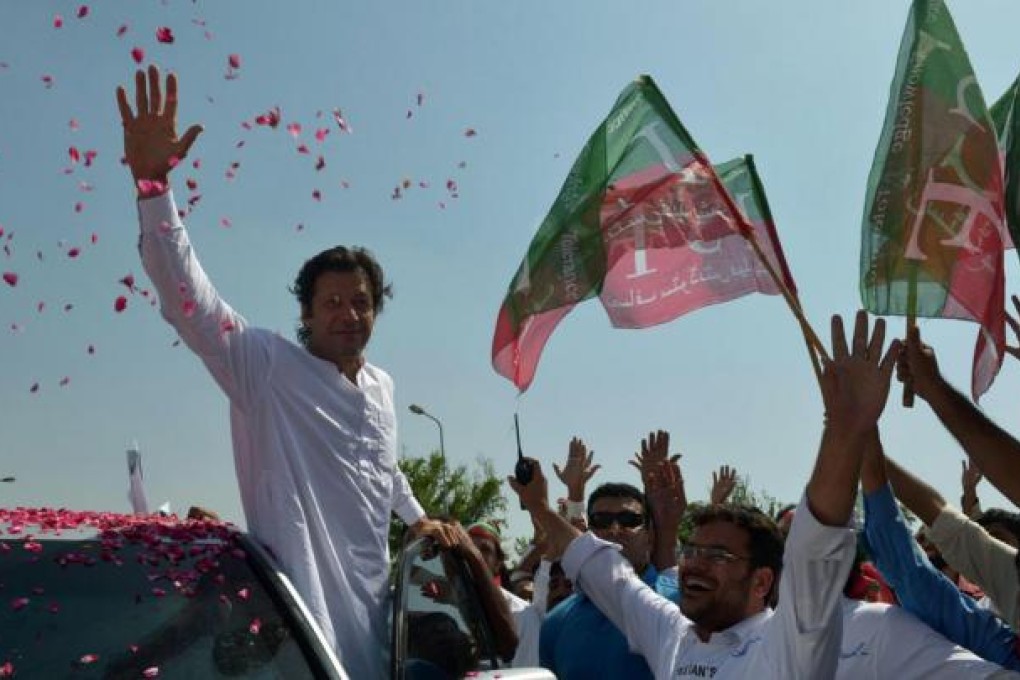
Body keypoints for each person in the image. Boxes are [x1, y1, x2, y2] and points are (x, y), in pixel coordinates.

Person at [116, 65, 453, 678]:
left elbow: (383, 464)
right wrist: (152, 187)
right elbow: (189, 301)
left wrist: (417, 517)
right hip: (299, 635)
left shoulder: (382, 389)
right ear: (305, 311)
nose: (348, 314)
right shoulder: (267, 366)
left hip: (378, 632)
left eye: (361, 302)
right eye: (331, 302)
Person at [513, 311, 897, 678]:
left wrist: (845, 428)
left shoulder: (787, 648)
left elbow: (815, 551)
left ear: (762, 582)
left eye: (716, 556)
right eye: (692, 551)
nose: (693, 565)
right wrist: (541, 509)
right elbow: (605, 572)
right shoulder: (674, 636)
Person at [539, 431, 681, 680]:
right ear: (588, 533)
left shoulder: (683, 603)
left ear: (649, 535)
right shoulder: (556, 622)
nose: (615, 530)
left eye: (629, 520)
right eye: (602, 520)